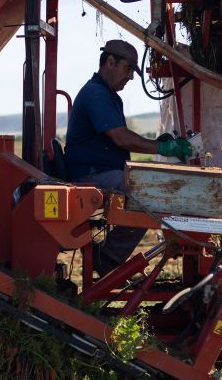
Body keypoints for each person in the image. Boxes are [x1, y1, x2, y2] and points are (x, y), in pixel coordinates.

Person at [64, 39, 192, 274]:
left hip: (101, 171)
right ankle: (108, 258)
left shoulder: (109, 95)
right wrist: (162, 148)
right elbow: (121, 138)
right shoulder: (96, 94)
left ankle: (110, 256)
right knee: (147, 190)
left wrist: (157, 145)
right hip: (90, 175)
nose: (131, 77)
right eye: (128, 69)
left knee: (147, 181)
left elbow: (121, 138)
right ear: (110, 62)